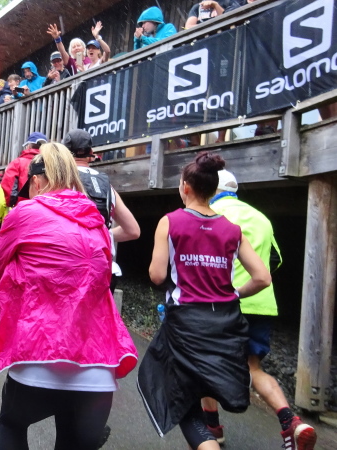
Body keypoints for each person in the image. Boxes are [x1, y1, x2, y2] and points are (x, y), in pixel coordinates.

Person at [0, 143, 138, 449]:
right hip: (97, 369)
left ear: (36, 181)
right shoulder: (97, 220)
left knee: (12, 425)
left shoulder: (25, 212)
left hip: (37, 358)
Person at [138, 152, 271, 450]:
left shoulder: (170, 222)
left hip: (185, 323)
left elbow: (157, 276)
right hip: (225, 322)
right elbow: (263, 277)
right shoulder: (232, 230)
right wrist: (235, 294)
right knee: (201, 392)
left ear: (185, 187)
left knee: (182, 400)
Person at [201, 170, 317, 450]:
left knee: (205, 363)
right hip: (261, 302)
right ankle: (291, 422)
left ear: (210, 189)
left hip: (222, 302)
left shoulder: (210, 214)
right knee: (253, 367)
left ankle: (212, 428)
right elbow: (275, 260)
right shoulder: (261, 217)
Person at [61, 129, 140, 291]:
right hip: (105, 272)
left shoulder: (61, 181)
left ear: (64, 154)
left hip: (72, 269)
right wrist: (103, 233)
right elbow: (133, 231)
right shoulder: (106, 185)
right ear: (91, 153)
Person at [0, 132, 47, 207]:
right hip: (45, 206)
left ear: (28, 146)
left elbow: (9, 185)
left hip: (22, 206)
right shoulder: (49, 164)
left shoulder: (17, 163)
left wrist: (11, 203)